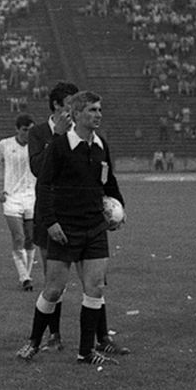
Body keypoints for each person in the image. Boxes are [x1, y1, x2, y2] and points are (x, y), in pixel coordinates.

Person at [18, 90, 128, 366]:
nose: (98, 115)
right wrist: (51, 222)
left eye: (99, 109)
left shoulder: (101, 144)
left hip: (94, 227)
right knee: (54, 290)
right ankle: (33, 341)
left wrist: (119, 210)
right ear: (76, 114)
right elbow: (42, 186)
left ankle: (85, 352)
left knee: (95, 289)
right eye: (91, 110)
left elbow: (108, 180)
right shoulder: (59, 146)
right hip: (65, 228)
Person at [26, 80, 78, 350]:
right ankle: (53, 335)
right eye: (71, 103)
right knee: (52, 279)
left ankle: (101, 338)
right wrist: (57, 136)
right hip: (49, 214)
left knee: (93, 278)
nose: (75, 109)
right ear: (57, 105)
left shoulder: (80, 132)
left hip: (77, 213)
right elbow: (37, 168)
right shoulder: (38, 132)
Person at [0, 114, 38, 290]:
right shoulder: (5, 145)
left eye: (31, 130)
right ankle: (24, 278)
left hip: (32, 197)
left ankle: (26, 275)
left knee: (30, 239)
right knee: (19, 237)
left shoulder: (38, 145)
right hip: (12, 198)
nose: (28, 134)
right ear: (17, 129)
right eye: (25, 130)